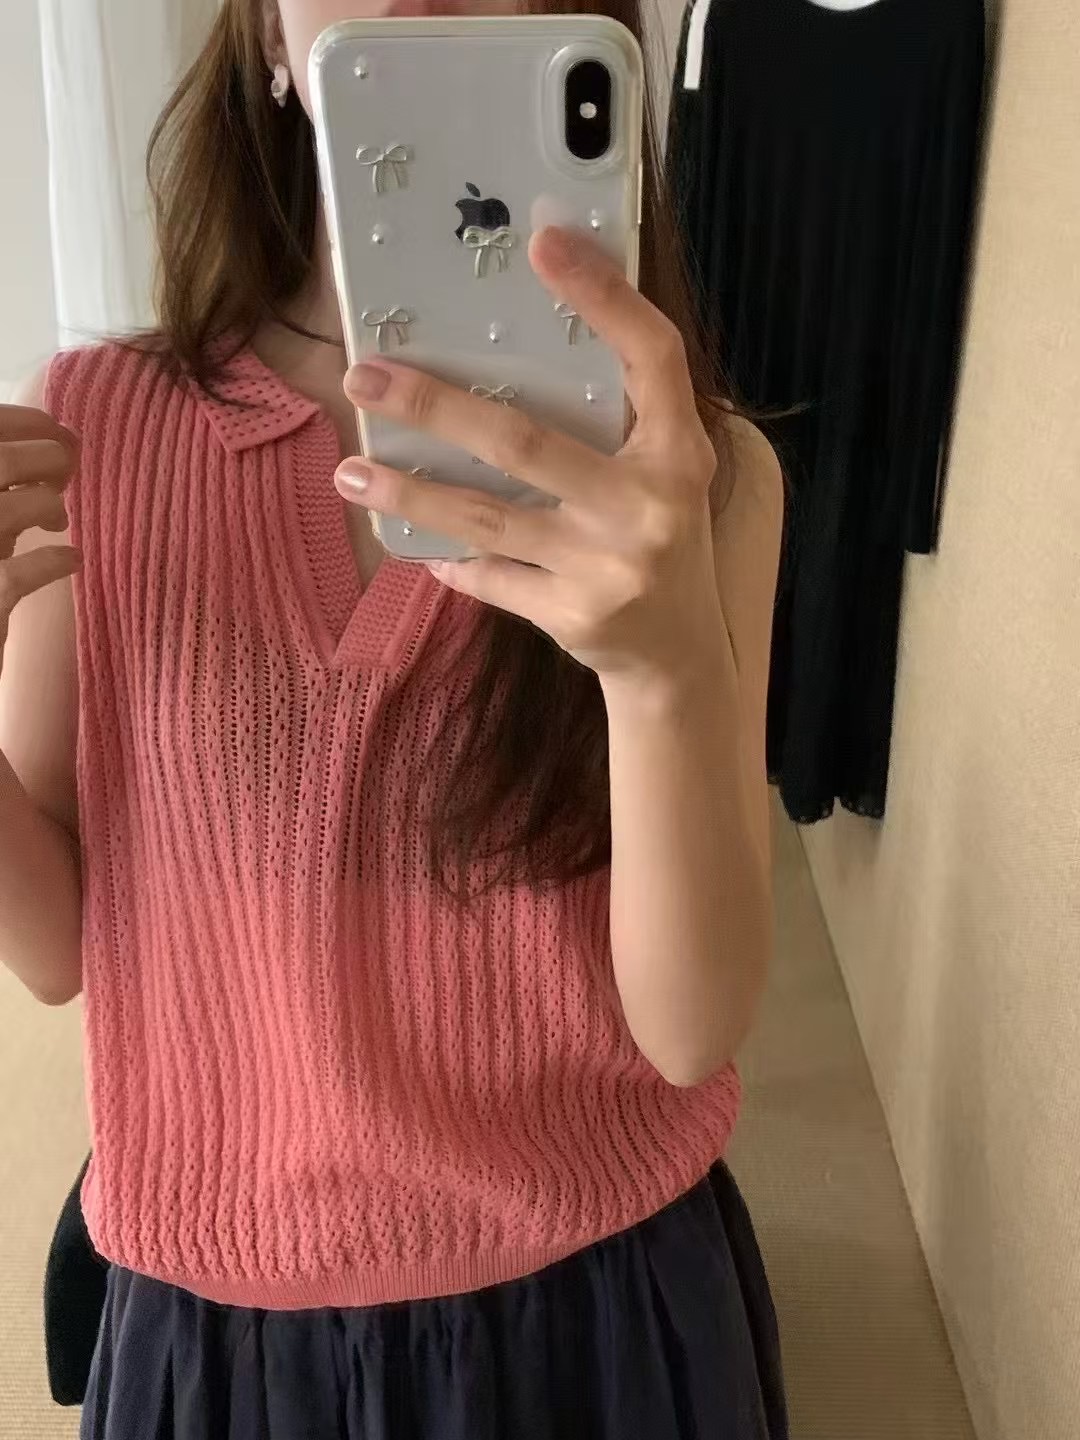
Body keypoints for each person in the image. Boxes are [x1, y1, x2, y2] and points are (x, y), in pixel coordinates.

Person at [0, 0, 787, 1435]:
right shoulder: (94, 427)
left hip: (595, 1312)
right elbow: (57, 945)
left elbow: (691, 1031)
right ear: (266, 38)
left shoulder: (694, 479)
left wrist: (661, 669)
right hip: (220, 1322)